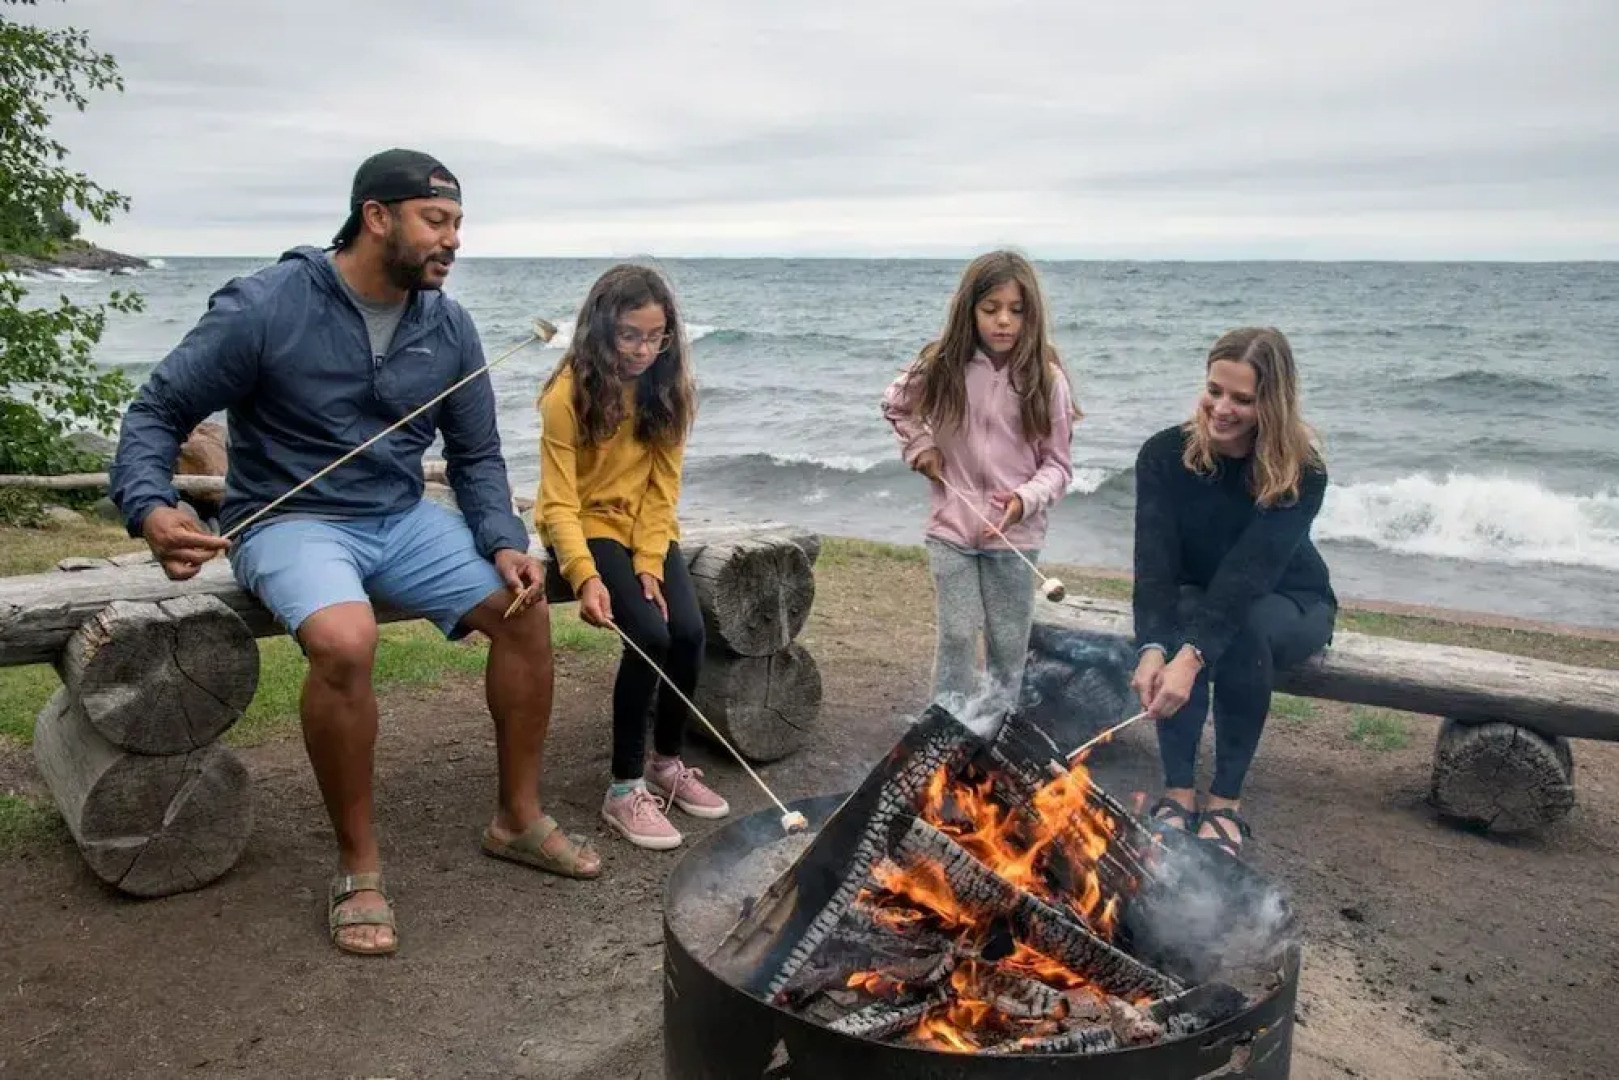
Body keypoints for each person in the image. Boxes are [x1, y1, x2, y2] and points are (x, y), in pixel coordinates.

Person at [108, 148, 600, 959]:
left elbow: (476, 458)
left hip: (400, 515)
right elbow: (158, 408)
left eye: (457, 225)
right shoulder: (266, 305)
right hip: (288, 520)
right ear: (377, 217)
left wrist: (506, 543)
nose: (452, 242)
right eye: (435, 222)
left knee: (524, 611)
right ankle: (358, 865)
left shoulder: (447, 324)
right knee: (345, 640)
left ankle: (517, 816)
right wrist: (152, 507)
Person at [536, 264, 729, 852]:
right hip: (584, 524)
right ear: (600, 329)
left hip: (644, 526)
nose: (644, 349)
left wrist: (650, 558)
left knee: (690, 632)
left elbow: (661, 489)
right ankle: (623, 788)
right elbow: (557, 501)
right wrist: (584, 574)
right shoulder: (566, 394)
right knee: (650, 633)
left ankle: (666, 762)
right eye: (629, 335)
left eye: (656, 335)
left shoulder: (667, 389)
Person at [1130, 326, 1337, 859]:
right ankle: (1178, 790)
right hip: (1201, 596)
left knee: (1239, 628)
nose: (1222, 408)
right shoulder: (1162, 454)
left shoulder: (1301, 471)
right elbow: (1155, 564)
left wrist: (1192, 656)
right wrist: (1152, 646)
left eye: (1242, 399)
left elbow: (1250, 574)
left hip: (1290, 599)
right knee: (1183, 614)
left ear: (1271, 401)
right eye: (1214, 390)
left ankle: (1225, 801)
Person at [881, 251, 1078, 734]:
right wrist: (922, 447)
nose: (1004, 321)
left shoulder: (1046, 379)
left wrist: (1023, 500)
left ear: (1031, 314)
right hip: (951, 527)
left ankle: (993, 735)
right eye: (991, 309)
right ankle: (943, 732)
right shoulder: (942, 364)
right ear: (969, 309)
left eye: (1016, 309)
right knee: (955, 634)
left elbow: (1058, 465)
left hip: (1017, 538)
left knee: (1009, 643)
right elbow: (895, 406)